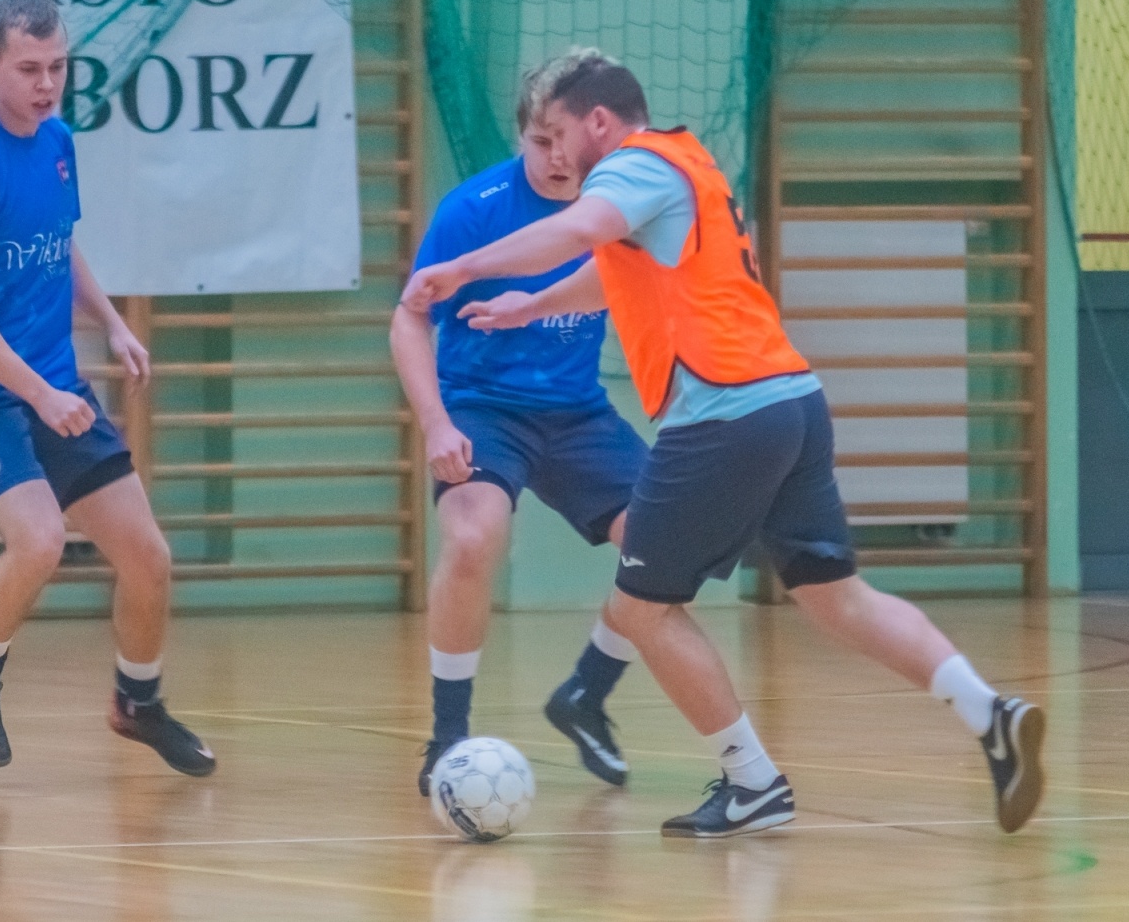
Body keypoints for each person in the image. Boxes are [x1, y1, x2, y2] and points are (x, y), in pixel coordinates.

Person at [402, 51, 1046, 838]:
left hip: (724, 416)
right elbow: (615, 273)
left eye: (561, 133)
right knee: (836, 596)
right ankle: (992, 714)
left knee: (643, 611)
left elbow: (576, 230)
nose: (557, 154)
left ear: (598, 121)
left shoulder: (631, 168)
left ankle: (753, 783)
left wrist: (460, 268)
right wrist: (529, 307)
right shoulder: (687, 161)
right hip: (792, 402)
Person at [0, 0, 213, 776]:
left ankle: (137, 701)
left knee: (147, 555)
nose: (47, 85)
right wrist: (39, 394)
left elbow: (57, 245)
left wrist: (110, 320)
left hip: (50, 380)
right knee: (38, 539)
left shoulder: (58, 140)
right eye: (30, 69)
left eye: (58, 68)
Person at [392, 51, 649, 795]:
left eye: (563, 140)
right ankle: (448, 734)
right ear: (522, 138)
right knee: (473, 535)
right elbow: (407, 322)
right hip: (482, 404)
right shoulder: (474, 210)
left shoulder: (615, 207)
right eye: (539, 142)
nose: (555, 157)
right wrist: (436, 423)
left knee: (669, 548)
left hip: (577, 411)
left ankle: (586, 695)